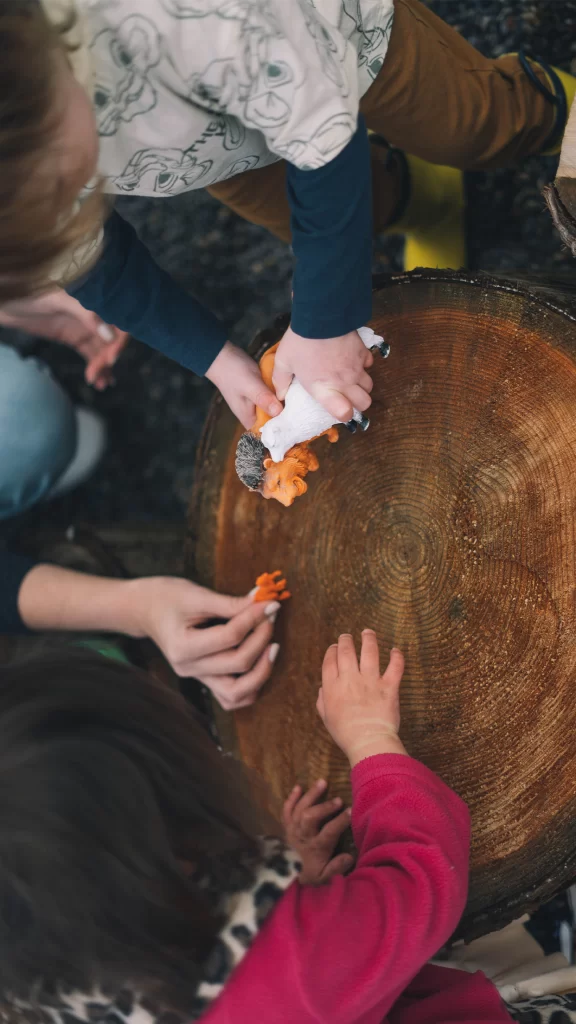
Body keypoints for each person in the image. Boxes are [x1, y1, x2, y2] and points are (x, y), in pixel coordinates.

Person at [2, 0, 574, 437]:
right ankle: (424, 198)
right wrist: (216, 360)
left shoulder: (175, 18)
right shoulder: (28, 168)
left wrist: (325, 322)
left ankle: (554, 112)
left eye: (65, 179)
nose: (77, 193)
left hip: (341, 46)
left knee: (472, 125)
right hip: (206, 146)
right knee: (348, 210)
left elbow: (320, 126)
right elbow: (91, 263)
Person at [0, 628, 562, 1023]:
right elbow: (423, 880)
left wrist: (290, 877)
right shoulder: (297, 962)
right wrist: (370, 737)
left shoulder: (53, 978)